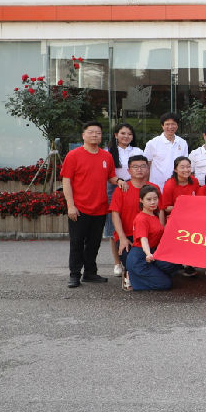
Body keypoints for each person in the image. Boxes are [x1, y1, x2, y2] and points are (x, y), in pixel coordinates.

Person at [61, 122, 125, 288]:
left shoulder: (106, 156)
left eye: (98, 132)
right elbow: (66, 181)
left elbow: (110, 176)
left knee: (94, 243)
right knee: (77, 243)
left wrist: (119, 181)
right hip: (79, 208)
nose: (95, 135)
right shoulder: (73, 155)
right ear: (83, 135)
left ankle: (90, 272)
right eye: (91, 132)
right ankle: (74, 274)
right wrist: (70, 205)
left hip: (100, 208)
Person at [108, 154, 158, 276]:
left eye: (143, 166)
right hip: (129, 236)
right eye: (135, 167)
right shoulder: (121, 189)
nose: (139, 169)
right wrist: (122, 238)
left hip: (150, 235)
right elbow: (115, 215)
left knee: (160, 263)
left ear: (148, 169)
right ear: (129, 170)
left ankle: (141, 276)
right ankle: (132, 274)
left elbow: (159, 212)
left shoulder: (154, 188)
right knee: (131, 261)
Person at [105, 122, 144, 275]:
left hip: (135, 186)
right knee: (113, 227)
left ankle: (134, 257)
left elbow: (143, 170)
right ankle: (117, 263)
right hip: (115, 187)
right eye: (123, 133)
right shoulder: (108, 152)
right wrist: (119, 182)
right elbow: (107, 175)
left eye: (129, 134)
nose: (126, 136)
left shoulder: (137, 151)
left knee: (134, 222)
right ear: (116, 135)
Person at [124, 186, 180, 291]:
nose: (153, 202)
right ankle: (131, 277)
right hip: (140, 257)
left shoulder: (154, 216)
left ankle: (149, 276)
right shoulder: (141, 218)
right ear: (141, 200)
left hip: (153, 253)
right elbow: (143, 239)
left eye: (155, 199)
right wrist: (148, 253)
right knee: (165, 284)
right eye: (149, 199)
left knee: (173, 263)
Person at [143, 112, 188, 188]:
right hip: (157, 186)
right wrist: (146, 184)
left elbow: (185, 165)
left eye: (173, 124)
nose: (170, 127)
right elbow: (147, 165)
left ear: (177, 125)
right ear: (162, 126)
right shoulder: (152, 143)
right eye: (167, 124)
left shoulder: (183, 143)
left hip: (177, 185)